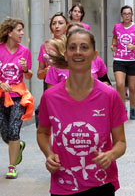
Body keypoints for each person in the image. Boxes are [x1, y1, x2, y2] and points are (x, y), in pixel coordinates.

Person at [37, 28, 127, 196]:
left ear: (95, 54)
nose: (78, 52)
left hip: (101, 183)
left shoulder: (109, 95)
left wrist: (110, 155)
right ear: (66, 54)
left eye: (84, 47)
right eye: (72, 47)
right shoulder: (50, 97)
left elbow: (121, 142)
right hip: (63, 184)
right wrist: (49, 154)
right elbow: (42, 132)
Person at [0, 17, 34, 179]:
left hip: (18, 96)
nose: (22, 33)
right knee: (5, 133)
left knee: (14, 130)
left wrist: (26, 68)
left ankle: (12, 166)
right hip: (1, 95)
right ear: (9, 32)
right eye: (19, 30)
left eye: (22, 30)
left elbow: (29, 76)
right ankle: (18, 145)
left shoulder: (24, 51)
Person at [44, 23, 111, 88]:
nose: (76, 37)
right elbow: (51, 93)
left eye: (80, 33)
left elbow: (106, 81)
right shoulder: (57, 65)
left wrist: (98, 89)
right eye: (71, 34)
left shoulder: (96, 60)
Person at [111, 5, 135, 120]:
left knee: (132, 87)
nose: (127, 16)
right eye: (124, 14)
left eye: (129, 14)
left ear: (132, 15)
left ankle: (132, 109)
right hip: (119, 60)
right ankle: (122, 108)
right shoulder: (117, 27)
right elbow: (115, 38)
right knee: (120, 85)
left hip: (133, 61)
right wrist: (114, 46)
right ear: (121, 15)